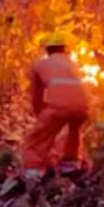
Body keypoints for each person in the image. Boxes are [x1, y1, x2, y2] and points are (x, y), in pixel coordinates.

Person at [22, 32, 90, 178]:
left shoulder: (40, 64)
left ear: (47, 49)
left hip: (58, 106)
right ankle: (70, 164)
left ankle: (33, 173)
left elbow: (36, 94)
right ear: (65, 49)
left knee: (38, 138)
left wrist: (39, 114)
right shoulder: (73, 63)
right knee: (74, 132)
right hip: (83, 106)